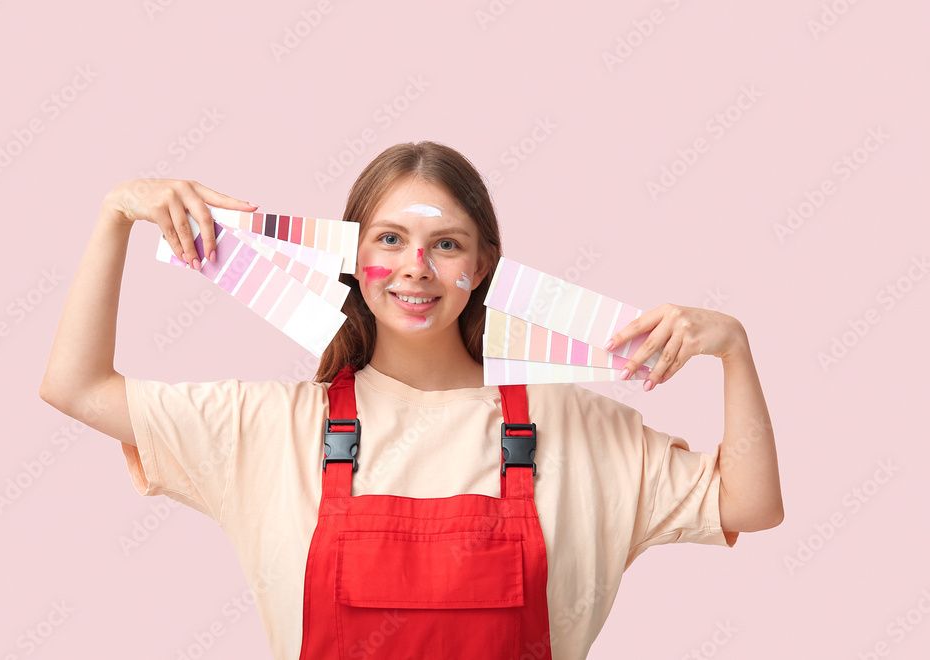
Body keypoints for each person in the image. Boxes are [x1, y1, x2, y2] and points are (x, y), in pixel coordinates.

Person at [39, 141, 783, 659]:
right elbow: (75, 387)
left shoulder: (575, 425)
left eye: (447, 245)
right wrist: (116, 216)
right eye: (389, 239)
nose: (415, 268)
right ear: (351, 258)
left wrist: (735, 350)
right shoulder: (271, 428)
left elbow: (748, 506)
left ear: (484, 263)